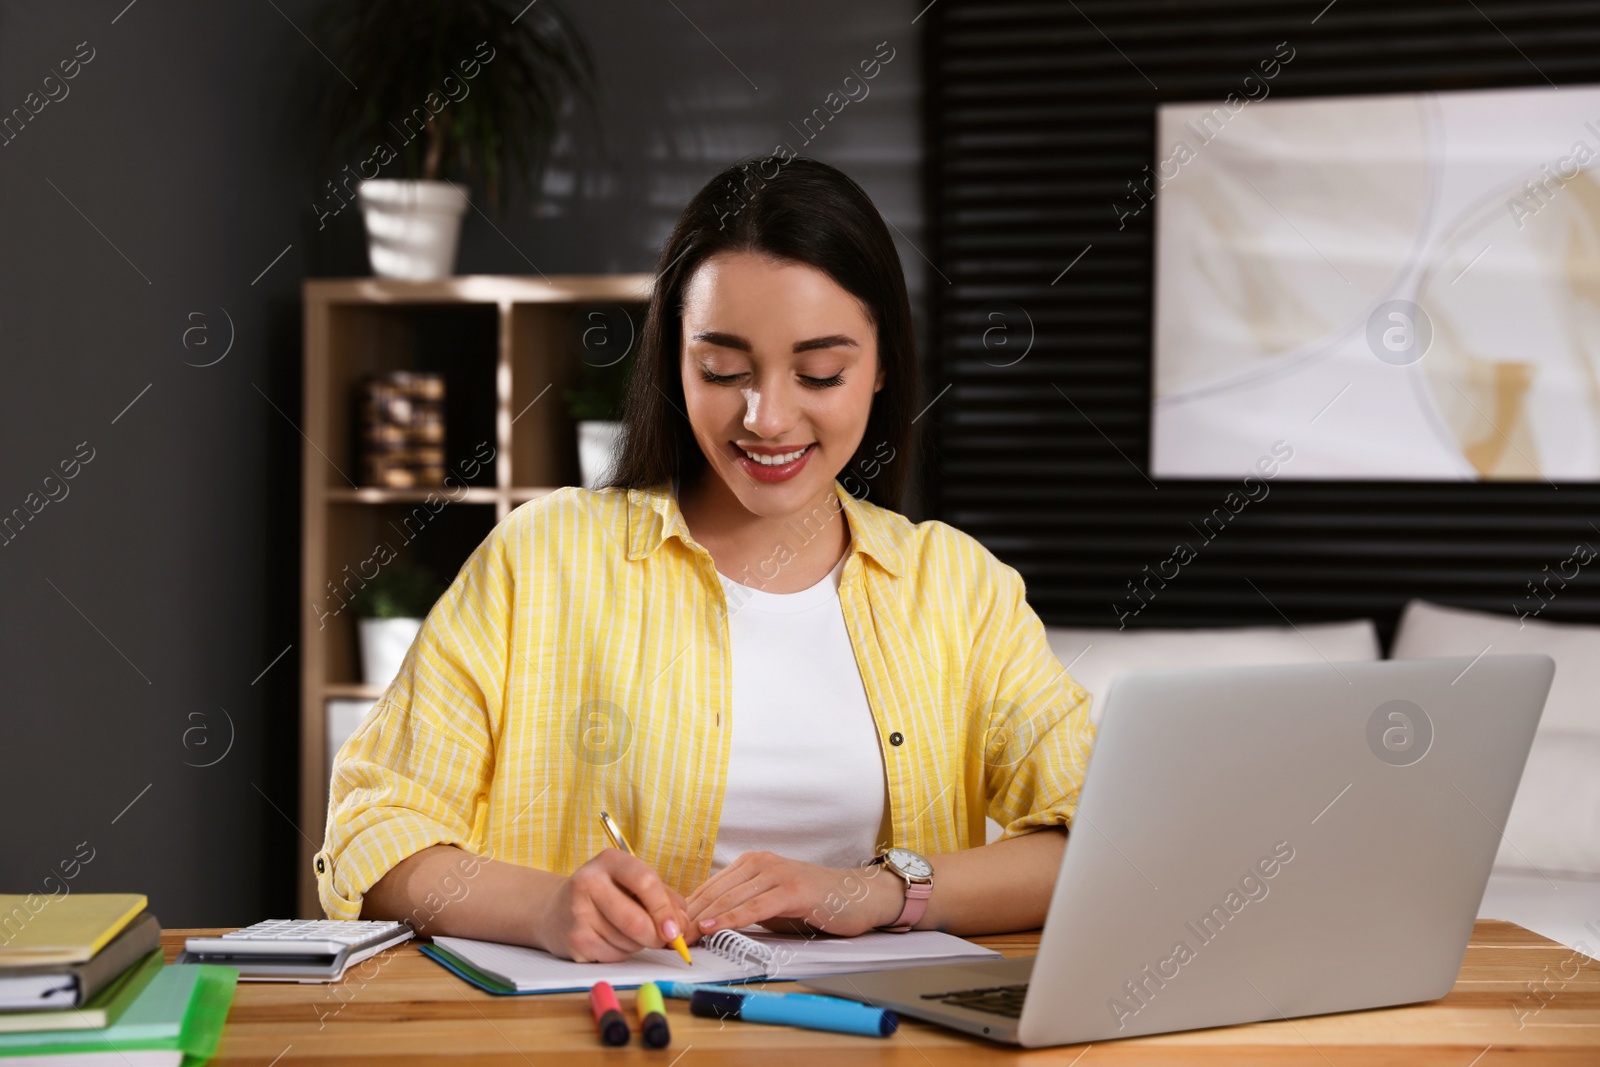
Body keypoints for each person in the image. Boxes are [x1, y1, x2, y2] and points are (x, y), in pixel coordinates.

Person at [317, 155, 1095, 964]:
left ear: (883, 365)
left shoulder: (957, 588)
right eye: (722, 369)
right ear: (674, 359)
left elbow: (1101, 834)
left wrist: (877, 891)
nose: (767, 416)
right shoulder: (543, 559)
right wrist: (547, 907)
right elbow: (371, 832)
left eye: (820, 372)